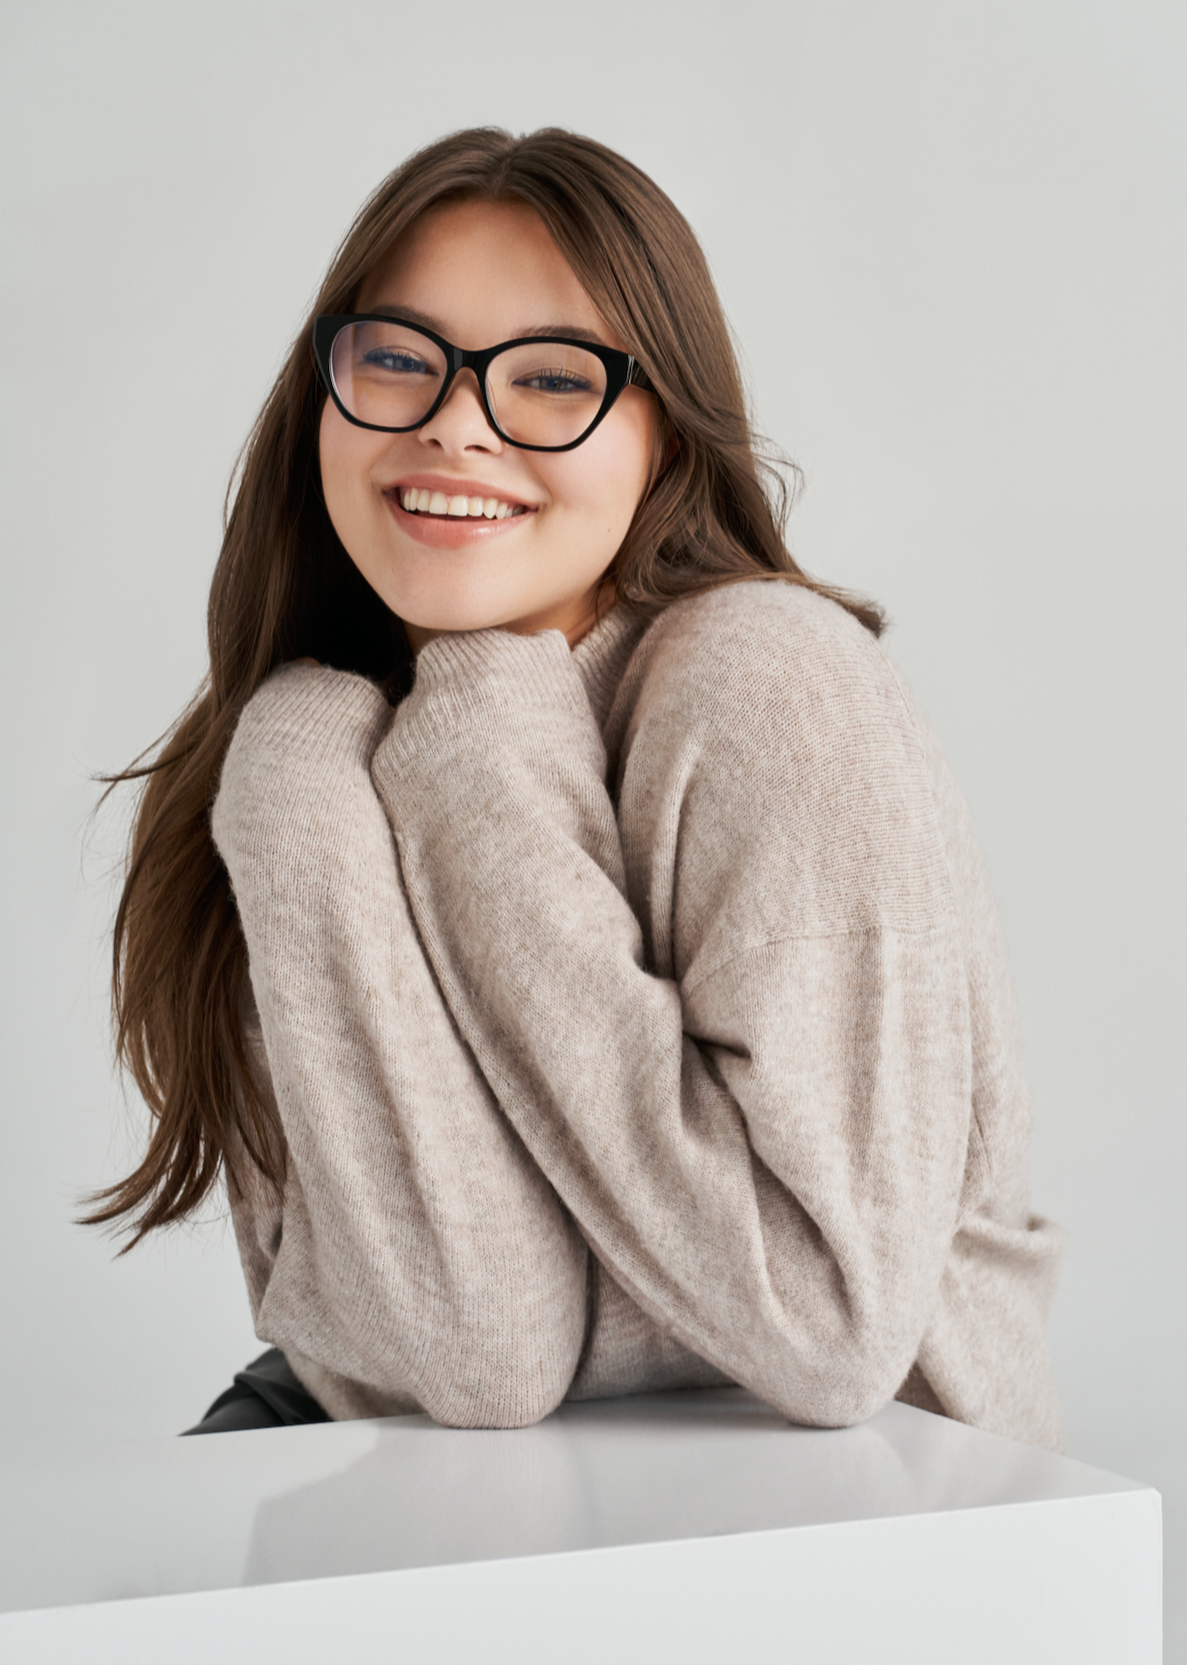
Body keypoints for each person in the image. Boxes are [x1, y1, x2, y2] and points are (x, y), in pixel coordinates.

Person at [88, 127, 1064, 1447]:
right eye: (394, 357)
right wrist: (299, 797)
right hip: (393, 1467)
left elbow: (823, 1323)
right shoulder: (313, 739)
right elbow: (446, 1341)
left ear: (665, 433)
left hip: (839, 1514)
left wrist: (488, 748)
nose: (451, 421)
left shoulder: (767, 683)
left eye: (550, 380)